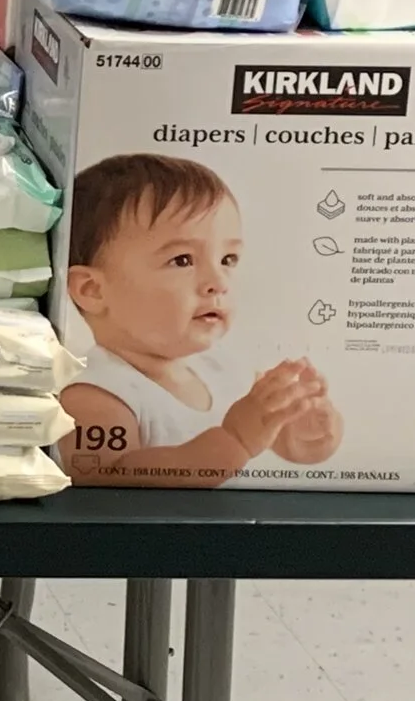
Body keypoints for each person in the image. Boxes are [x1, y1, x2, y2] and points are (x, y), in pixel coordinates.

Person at [58, 153, 342, 487]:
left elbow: (278, 443)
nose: (218, 281)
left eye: (228, 259)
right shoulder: (95, 393)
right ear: (93, 290)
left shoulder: (226, 370)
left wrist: (306, 428)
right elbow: (104, 478)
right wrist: (235, 440)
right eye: (182, 260)